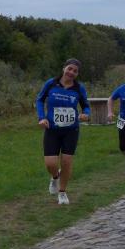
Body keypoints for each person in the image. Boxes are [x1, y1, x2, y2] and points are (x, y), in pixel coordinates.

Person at [36, 58, 91, 205]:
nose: (71, 72)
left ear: (77, 74)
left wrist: (86, 114)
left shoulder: (79, 88)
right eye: (70, 69)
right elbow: (40, 100)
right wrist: (41, 117)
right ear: (64, 68)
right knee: (50, 164)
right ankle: (55, 177)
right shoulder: (51, 84)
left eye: (75, 71)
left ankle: (62, 192)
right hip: (52, 129)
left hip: (71, 130)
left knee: (66, 162)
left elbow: (86, 105)